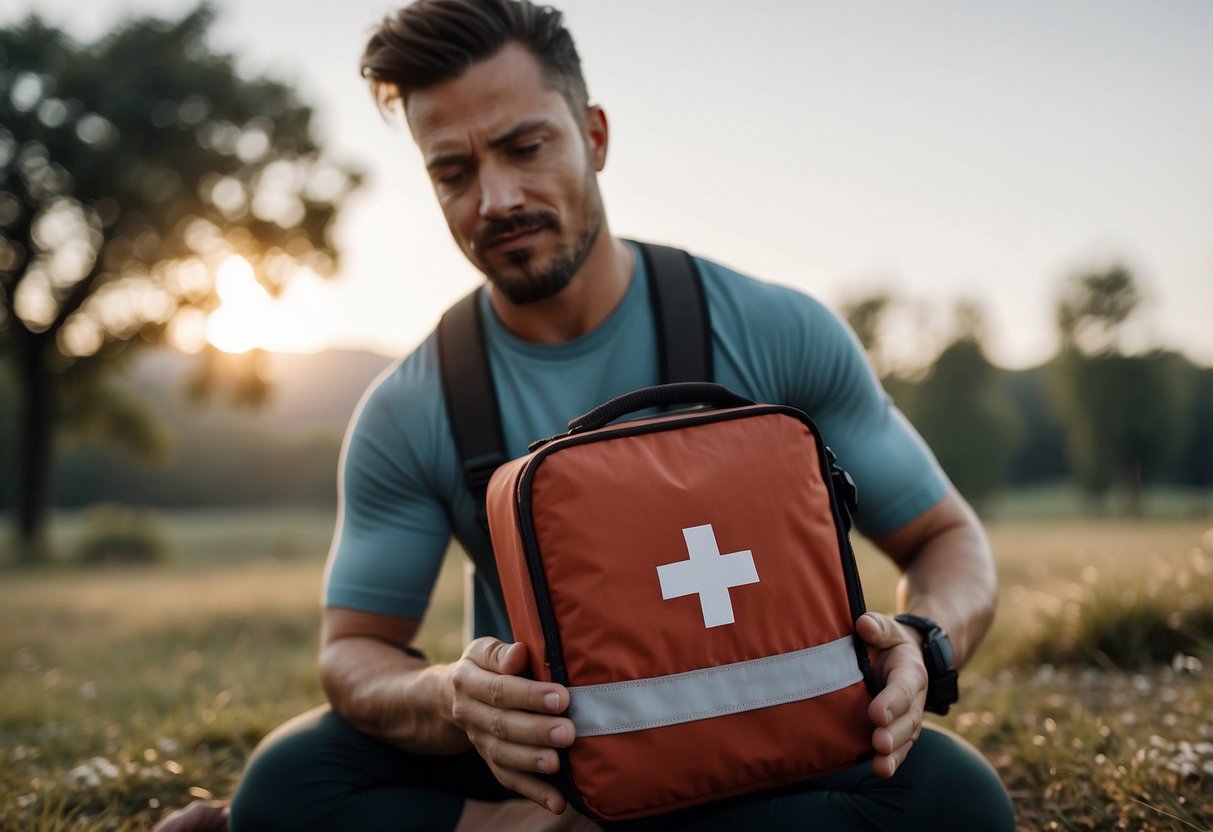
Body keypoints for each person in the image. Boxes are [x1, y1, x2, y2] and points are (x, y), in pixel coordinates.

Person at [156, 1, 1015, 829]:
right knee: (289, 781)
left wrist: (922, 641)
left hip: (764, 736)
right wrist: (453, 695)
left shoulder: (773, 332)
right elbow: (353, 653)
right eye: (452, 172)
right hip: (546, 763)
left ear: (594, 136)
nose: (495, 199)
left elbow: (947, 539)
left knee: (954, 801)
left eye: (525, 147)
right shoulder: (411, 408)